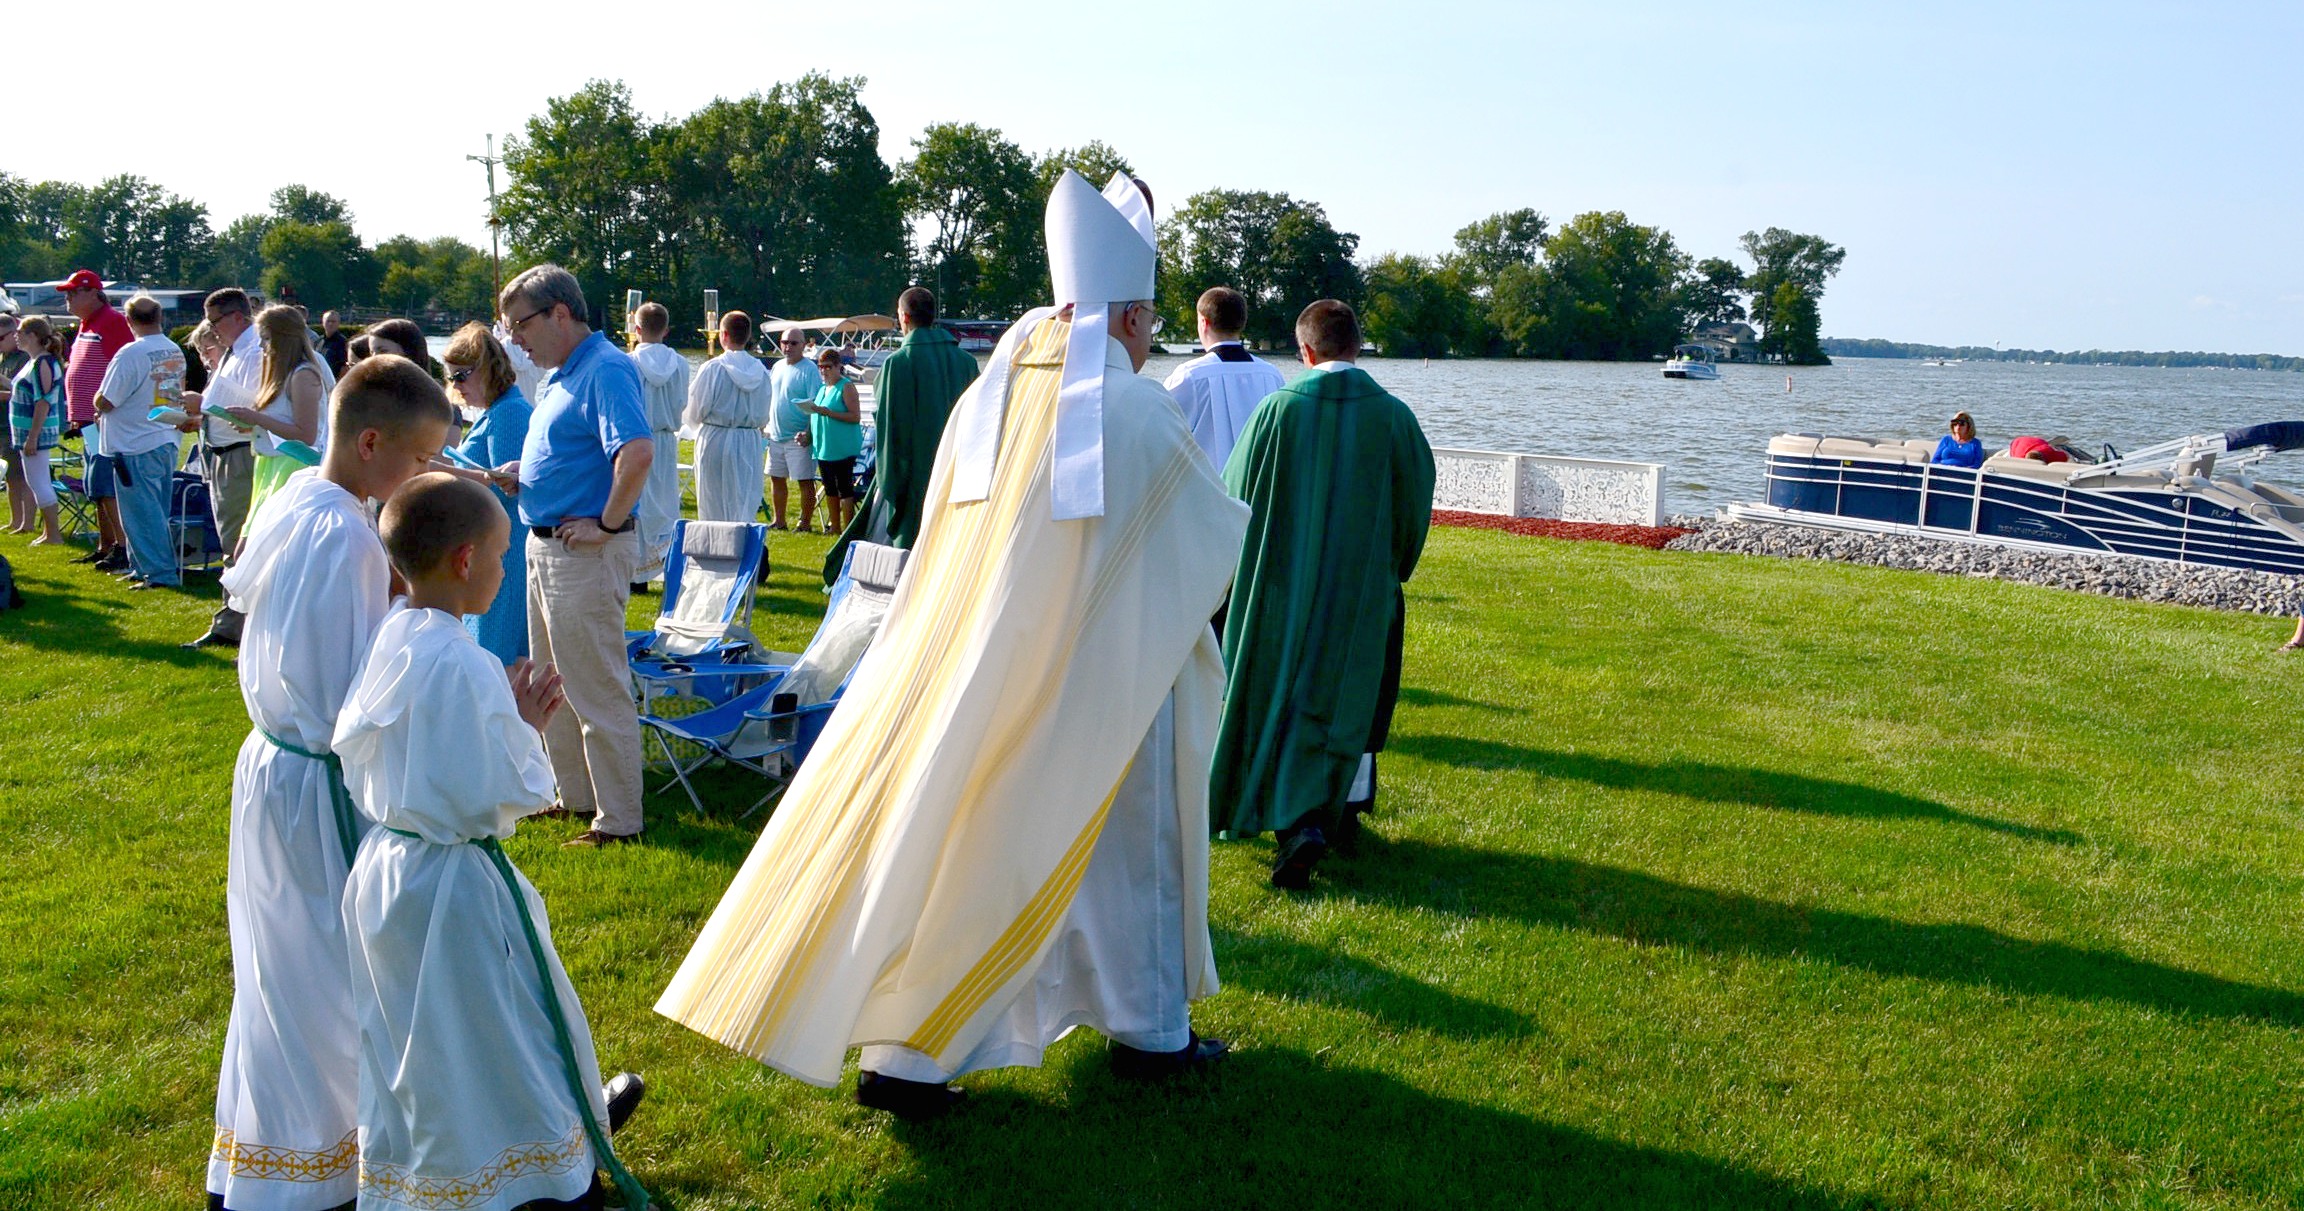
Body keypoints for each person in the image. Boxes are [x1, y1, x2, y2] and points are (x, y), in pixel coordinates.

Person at [657, 171, 1248, 1117]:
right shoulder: (1133, 407)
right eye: (1145, 318)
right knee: (1121, 848)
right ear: (1130, 317)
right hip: (1109, 674)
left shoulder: (992, 395)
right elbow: (1204, 537)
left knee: (961, 838)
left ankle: (912, 1056)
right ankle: (1147, 1032)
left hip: (977, 663)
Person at [336, 472, 647, 1211]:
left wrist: (502, 721)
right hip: (453, 885)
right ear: (467, 560)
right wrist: (524, 727)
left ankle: (441, 1172)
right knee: (500, 1031)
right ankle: (539, 1176)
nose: (509, 570)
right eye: (504, 555)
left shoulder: (395, 636)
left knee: (419, 1041)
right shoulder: (466, 660)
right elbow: (501, 795)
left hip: (388, 873)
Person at [206, 355, 453, 1211]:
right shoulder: (349, 532)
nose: (426, 479)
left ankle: (273, 1159)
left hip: (273, 768)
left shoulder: (300, 499)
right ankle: (319, 1174)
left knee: (282, 975)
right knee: (323, 980)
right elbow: (358, 699)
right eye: (422, 461)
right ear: (374, 441)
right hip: (317, 785)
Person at [1210, 299, 1435, 890]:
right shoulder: (1395, 417)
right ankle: (1335, 812)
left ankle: (1292, 822)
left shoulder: (1276, 412)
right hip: (1361, 593)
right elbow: (1414, 510)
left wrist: (1235, 579)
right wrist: (1392, 571)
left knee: (1277, 691)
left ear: (1305, 350)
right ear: (1357, 346)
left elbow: (1234, 500)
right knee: (1349, 696)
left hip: (1281, 590)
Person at [497, 265, 654, 849]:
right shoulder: (563, 373)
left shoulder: (607, 367)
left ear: (561, 313)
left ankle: (619, 821)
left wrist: (607, 524)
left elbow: (636, 453)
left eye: (521, 325)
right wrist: (527, 477)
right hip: (545, 546)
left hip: (583, 554)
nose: (516, 339)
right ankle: (574, 797)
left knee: (594, 687)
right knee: (552, 682)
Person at [823, 286, 979, 583]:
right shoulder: (967, 363)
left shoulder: (898, 364)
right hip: (956, 474)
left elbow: (890, 427)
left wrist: (889, 480)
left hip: (914, 475)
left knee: (909, 555)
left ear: (904, 316)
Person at [439, 323, 532, 663]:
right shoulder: (496, 411)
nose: (456, 386)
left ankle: (504, 714)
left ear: (486, 368)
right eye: (450, 378)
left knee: (499, 654)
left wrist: (432, 471)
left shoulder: (508, 413)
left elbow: (504, 485)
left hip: (505, 549)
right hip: (490, 545)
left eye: (461, 376)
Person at [181, 292, 264, 650]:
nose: (211, 332)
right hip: (221, 451)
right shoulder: (234, 352)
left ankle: (237, 626)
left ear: (236, 318)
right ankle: (232, 621)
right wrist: (200, 416)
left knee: (237, 542)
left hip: (239, 454)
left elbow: (250, 407)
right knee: (230, 539)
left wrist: (204, 406)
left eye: (215, 322)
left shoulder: (254, 352)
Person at [90, 295, 187, 589]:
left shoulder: (130, 353)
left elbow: (106, 400)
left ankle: (159, 574)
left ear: (128, 320)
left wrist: (95, 402)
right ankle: (142, 566)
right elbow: (172, 394)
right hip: (164, 436)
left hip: (134, 441)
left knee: (142, 514)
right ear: (160, 318)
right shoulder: (173, 350)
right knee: (154, 509)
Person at [230, 305, 337, 523]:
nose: (261, 346)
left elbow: (307, 434)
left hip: (292, 464)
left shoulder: (304, 375)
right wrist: (253, 425)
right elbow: (280, 420)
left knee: (262, 544)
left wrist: (257, 419)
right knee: (250, 544)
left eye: (266, 338)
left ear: (285, 338)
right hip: (269, 462)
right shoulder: (281, 373)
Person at [1161, 286, 1286, 471]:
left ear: (1203, 322)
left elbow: (1159, 438)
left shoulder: (1190, 376)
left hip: (1209, 495)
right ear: (1242, 323)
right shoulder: (1272, 375)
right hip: (1258, 494)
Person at [57, 270, 132, 570]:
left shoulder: (112, 323)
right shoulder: (87, 324)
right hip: (87, 421)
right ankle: (106, 545)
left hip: (104, 420)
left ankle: (123, 547)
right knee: (96, 488)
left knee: (105, 485)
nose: (68, 298)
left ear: (94, 293)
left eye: (74, 292)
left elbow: (123, 369)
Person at [685, 310, 774, 523]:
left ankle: (715, 551)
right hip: (748, 440)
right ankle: (742, 549)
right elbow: (764, 414)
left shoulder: (713, 368)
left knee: (712, 501)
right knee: (743, 500)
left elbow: (694, 410)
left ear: (723, 335)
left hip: (716, 436)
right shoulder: (761, 371)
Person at [626, 302, 690, 581]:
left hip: (637, 439)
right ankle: (668, 564)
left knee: (637, 502)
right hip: (666, 438)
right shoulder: (680, 363)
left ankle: (639, 572)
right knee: (665, 502)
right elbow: (683, 402)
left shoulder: (628, 362)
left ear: (637, 329)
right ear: (665, 330)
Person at [8, 318, 67, 545]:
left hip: (36, 434)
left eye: (20, 331)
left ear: (33, 335)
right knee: (35, 482)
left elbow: (43, 402)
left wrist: (32, 437)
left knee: (40, 482)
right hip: (26, 432)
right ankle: (48, 533)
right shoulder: (34, 361)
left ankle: (53, 534)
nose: (16, 335)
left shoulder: (43, 362)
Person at [799, 348, 863, 534]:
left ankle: (847, 529)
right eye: (820, 367)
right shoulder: (821, 389)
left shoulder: (846, 386)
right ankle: (834, 527)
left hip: (842, 447)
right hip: (823, 448)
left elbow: (855, 416)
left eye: (827, 367)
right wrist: (807, 436)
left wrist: (830, 413)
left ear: (838, 366)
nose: (824, 371)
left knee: (845, 489)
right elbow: (814, 416)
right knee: (830, 489)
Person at [764, 327, 820, 531]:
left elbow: (815, 404)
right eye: (784, 342)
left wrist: (810, 433)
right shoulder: (777, 366)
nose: (788, 347)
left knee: (804, 481)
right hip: (776, 435)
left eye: (793, 343)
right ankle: (779, 521)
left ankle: (805, 523)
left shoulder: (810, 369)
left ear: (804, 345)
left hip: (799, 437)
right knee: (776, 477)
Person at [0, 315, 29, 534]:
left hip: (18, 425)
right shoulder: (5, 357)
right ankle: (15, 519)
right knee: (9, 475)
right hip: (3, 424)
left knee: (22, 475)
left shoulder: (23, 359)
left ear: (13, 333)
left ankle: (26, 523)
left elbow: (23, 393)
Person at [318, 310, 349, 377]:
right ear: (323, 322)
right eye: (328, 321)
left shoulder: (342, 342)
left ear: (338, 323)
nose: (330, 324)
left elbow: (344, 367)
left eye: (333, 321)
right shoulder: (318, 341)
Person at [2009, 434, 2073, 463]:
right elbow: (2065, 456)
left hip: (2024, 442)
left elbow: (2065, 456)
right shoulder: (2019, 457)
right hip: (2017, 442)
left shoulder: (2048, 452)